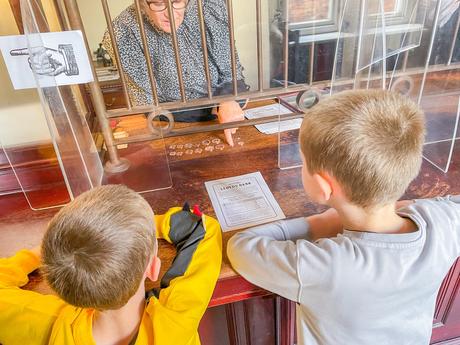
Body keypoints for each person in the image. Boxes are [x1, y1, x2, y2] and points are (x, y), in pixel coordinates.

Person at [227, 89, 460, 344]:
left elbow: (240, 247)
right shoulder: (443, 222)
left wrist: (319, 223)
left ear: (324, 186)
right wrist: (405, 203)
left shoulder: (325, 265)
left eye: (304, 162)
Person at [0, 184, 222, 345]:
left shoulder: (46, 323)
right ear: (153, 269)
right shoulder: (175, 320)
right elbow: (202, 229)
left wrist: (38, 253)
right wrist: (135, 230)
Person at [102, 0, 249, 146]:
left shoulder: (208, 7)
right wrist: (215, 107)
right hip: (170, 125)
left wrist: (228, 100)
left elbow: (232, 73)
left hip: (229, 111)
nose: (170, 14)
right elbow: (149, 106)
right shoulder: (123, 32)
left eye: (177, 1)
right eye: (159, 4)